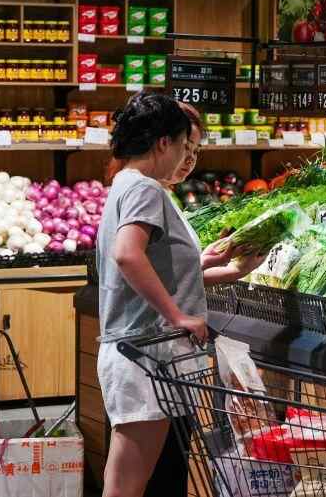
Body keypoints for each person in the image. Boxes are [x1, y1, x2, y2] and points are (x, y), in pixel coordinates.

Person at [95, 94, 259, 497]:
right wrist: (178, 316)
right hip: (145, 356)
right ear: (163, 142)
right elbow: (127, 255)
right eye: (185, 145)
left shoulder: (126, 183)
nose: (187, 156)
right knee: (126, 486)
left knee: (127, 482)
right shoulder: (145, 188)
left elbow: (153, 266)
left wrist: (220, 267)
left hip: (137, 353)